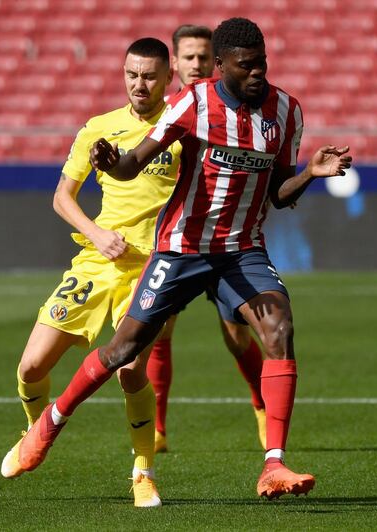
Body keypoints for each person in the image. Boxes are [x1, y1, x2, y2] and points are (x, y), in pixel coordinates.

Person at [2, 17, 352, 503]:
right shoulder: (194, 102)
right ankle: (50, 422)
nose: (258, 74)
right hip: (181, 247)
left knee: (279, 329)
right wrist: (109, 161)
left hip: (241, 249)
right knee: (123, 354)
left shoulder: (287, 111)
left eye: (263, 64)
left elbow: (279, 192)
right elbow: (132, 163)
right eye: (246, 66)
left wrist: (313, 172)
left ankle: (273, 463)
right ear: (223, 66)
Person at [0, 37, 180, 508]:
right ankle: (38, 431)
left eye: (149, 76)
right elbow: (62, 196)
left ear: (168, 78)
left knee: (131, 369)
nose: (139, 84)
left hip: (155, 265)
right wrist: (97, 234)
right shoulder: (99, 128)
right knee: (31, 366)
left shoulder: (181, 128)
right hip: (98, 259)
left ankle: (143, 472)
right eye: (132, 74)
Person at [146, 24, 267, 455]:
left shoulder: (228, 111)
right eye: (189, 57)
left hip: (225, 243)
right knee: (159, 330)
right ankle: (158, 428)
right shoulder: (165, 114)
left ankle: (260, 406)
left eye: (203, 57)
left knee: (237, 336)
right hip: (176, 243)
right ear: (174, 63)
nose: (196, 64)